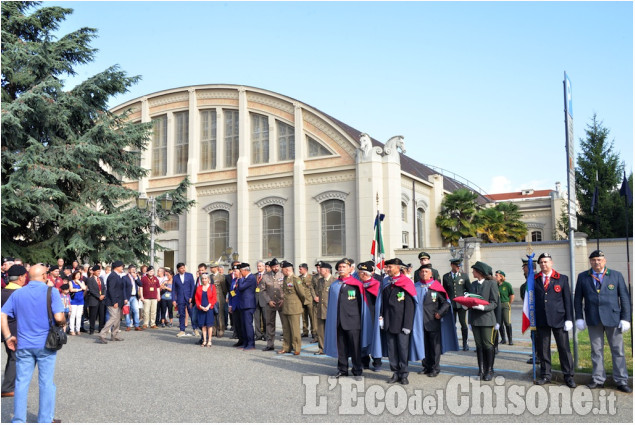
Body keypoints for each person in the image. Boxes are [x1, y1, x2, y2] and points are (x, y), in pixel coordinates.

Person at [1, 264, 66, 423]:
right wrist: (63, 321)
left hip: (23, 344)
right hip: (46, 344)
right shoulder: (52, 292)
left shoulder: (18, 293)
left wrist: (8, 336)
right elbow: (58, 317)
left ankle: (18, 420)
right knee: (46, 383)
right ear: (44, 276)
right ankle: (44, 419)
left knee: (21, 383)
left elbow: (2, 314)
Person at [574, 250, 632, 393]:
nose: (596, 262)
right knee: (596, 350)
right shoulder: (583, 277)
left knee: (618, 350)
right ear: (590, 262)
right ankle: (598, 379)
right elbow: (577, 299)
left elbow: (624, 298)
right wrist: (579, 317)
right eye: (593, 260)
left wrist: (626, 318)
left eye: (599, 260)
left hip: (613, 318)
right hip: (593, 318)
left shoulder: (616, 275)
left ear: (604, 261)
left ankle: (621, 380)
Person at [534, 253, 575, 388]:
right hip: (541, 319)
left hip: (559, 318)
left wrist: (569, 319)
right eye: (541, 263)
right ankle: (546, 375)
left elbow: (567, 300)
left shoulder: (562, 279)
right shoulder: (534, 279)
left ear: (551, 263)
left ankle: (568, 376)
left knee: (563, 348)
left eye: (546, 262)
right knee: (543, 349)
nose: (543, 264)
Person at [324, 258, 370, 380]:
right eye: (339, 267)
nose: (341, 269)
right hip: (338, 321)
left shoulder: (356, 284)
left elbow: (362, 304)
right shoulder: (334, 285)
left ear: (350, 269)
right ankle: (342, 369)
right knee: (341, 348)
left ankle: (357, 370)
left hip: (353, 321)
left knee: (355, 347)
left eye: (344, 267)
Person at [377, 258, 416, 385]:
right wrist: (381, 317)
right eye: (386, 267)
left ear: (398, 267)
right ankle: (395, 373)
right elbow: (382, 302)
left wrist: (407, 324)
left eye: (390, 267)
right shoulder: (386, 282)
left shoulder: (406, 282)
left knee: (403, 349)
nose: (387, 269)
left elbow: (410, 306)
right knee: (392, 350)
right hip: (389, 322)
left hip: (402, 323)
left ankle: (404, 374)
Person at [467, 261, 499, 381]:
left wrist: (483, 307)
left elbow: (494, 303)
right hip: (475, 319)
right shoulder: (473, 284)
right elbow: (470, 300)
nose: (472, 272)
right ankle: (481, 369)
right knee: (479, 345)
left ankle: (489, 370)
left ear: (480, 272)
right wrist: (469, 318)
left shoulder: (491, 283)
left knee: (487, 344)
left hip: (486, 319)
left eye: (474, 270)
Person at [1, 264, 28, 398]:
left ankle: (10, 384)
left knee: (12, 357)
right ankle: (8, 387)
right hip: (16, 330)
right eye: (24, 277)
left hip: (6, 330)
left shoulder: (3, 292)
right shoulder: (20, 293)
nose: (25, 279)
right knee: (15, 358)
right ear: (20, 278)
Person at [357, 261, 382, 371]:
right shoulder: (357, 285)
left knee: (374, 339)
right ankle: (364, 361)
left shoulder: (376, 285)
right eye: (359, 272)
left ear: (366, 274)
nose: (360, 275)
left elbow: (382, 302)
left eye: (362, 273)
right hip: (360, 317)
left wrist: (381, 315)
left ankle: (377, 362)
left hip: (372, 316)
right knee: (362, 339)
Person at [442, 258, 470, 351]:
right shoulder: (446, 276)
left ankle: (465, 343)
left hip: (461, 305)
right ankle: (452, 343)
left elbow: (469, 290)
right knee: (452, 324)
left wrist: (467, 301)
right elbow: (444, 291)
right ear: (452, 265)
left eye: (459, 266)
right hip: (451, 305)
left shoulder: (464, 276)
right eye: (456, 266)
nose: (458, 267)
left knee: (463, 324)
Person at [279, 261, 305, 355]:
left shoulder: (295, 279)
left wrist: (298, 303)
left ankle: (296, 347)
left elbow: (302, 294)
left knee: (295, 329)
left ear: (287, 269)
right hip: (286, 307)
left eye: (282, 270)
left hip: (294, 307)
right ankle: (286, 347)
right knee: (286, 329)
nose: (282, 272)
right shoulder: (286, 278)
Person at [96, 261, 126, 344]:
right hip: (113, 301)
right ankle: (102, 334)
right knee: (113, 317)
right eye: (121, 266)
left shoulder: (117, 276)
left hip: (118, 301)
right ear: (116, 267)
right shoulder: (112, 276)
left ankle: (114, 335)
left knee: (117, 318)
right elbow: (111, 290)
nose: (122, 268)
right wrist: (114, 301)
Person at [261, 258, 284, 351]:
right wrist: (268, 301)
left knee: (285, 323)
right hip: (270, 303)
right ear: (270, 267)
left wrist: (283, 299)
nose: (276, 268)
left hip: (281, 302)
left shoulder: (283, 275)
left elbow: (287, 288)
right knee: (270, 324)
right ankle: (270, 344)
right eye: (274, 266)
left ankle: (286, 345)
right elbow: (263, 290)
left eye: (277, 266)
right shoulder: (265, 276)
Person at [312, 261, 334, 355]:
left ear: (327, 270)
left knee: (331, 331)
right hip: (320, 309)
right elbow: (317, 292)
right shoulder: (320, 281)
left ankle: (332, 348)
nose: (319, 270)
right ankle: (322, 348)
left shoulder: (334, 280)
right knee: (320, 331)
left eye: (321, 269)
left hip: (330, 310)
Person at [519, 258, 537, 364]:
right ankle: (536, 353)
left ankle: (538, 356)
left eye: (524, 267)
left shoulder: (536, 279)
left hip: (537, 312)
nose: (523, 269)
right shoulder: (526, 282)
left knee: (537, 335)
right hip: (531, 312)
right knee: (533, 334)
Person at [237, 263, 257, 350]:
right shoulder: (246, 278)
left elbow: (241, 287)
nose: (240, 273)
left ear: (245, 270)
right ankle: (245, 342)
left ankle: (251, 343)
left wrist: (240, 279)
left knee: (248, 325)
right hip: (243, 304)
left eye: (241, 271)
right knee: (243, 325)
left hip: (248, 305)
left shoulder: (251, 278)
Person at [173, 262, 196, 337]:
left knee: (192, 314)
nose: (183, 269)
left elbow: (192, 287)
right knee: (181, 314)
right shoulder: (175, 277)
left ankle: (195, 329)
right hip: (180, 298)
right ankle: (182, 330)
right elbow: (174, 289)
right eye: (181, 268)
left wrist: (191, 297)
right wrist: (173, 299)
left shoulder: (190, 275)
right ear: (178, 269)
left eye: (184, 268)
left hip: (189, 297)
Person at [195, 273, 217, 347]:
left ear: (208, 279)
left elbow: (214, 298)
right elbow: (196, 298)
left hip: (209, 308)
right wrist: (200, 306)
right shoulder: (199, 287)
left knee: (209, 325)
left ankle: (209, 340)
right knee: (203, 325)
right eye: (203, 279)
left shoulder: (212, 287)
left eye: (205, 278)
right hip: (201, 308)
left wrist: (209, 306)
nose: (204, 280)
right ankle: (204, 340)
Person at [494, 270, 514, 351]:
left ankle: (510, 339)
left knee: (507, 322)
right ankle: (503, 339)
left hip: (505, 304)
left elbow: (511, 295)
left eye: (497, 275)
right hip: (497, 305)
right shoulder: (495, 285)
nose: (495, 277)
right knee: (499, 322)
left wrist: (508, 303)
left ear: (501, 277)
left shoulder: (507, 285)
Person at [298, 263, 316, 339]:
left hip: (310, 300)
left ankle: (314, 332)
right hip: (302, 300)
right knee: (304, 317)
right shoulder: (298, 278)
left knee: (312, 317)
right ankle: (305, 331)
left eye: (300, 269)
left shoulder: (311, 277)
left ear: (305, 269)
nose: (299, 270)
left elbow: (314, 288)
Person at [86, 265, 106, 335]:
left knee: (101, 315)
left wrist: (103, 295)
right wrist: (98, 296)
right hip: (94, 299)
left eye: (99, 271)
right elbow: (91, 290)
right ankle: (92, 329)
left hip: (102, 300)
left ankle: (100, 328)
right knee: (93, 315)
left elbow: (104, 288)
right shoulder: (90, 279)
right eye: (97, 271)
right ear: (93, 271)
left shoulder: (101, 279)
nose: (99, 272)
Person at [227, 264, 244, 347]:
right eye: (234, 271)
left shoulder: (243, 280)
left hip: (242, 305)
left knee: (242, 323)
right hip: (234, 304)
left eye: (236, 271)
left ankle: (245, 340)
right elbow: (231, 293)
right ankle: (240, 340)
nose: (235, 272)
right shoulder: (234, 280)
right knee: (236, 324)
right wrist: (230, 305)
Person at [210, 261, 227, 338]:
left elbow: (224, 289)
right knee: (212, 314)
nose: (211, 269)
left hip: (219, 297)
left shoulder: (221, 277)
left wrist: (223, 297)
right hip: (211, 297)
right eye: (210, 267)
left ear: (216, 268)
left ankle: (220, 329)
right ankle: (213, 330)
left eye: (212, 267)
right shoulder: (210, 277)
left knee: (220, 314)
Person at [68, 271, 86, 336]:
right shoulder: (71, 282)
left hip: (81, 301)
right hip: (73, 301)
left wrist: (79, 282)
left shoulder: (82, 282)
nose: (78, 276)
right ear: (74, 275)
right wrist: (78, 289)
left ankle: (78, 329)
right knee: (72, 316)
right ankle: (71, 330)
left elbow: (84, 288)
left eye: (79, 275)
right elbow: (71, 290)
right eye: (77, 274)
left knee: (79, 316)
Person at [253, 261, 266, 342]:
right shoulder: (254, 276)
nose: (259, 268)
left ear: (264, 267)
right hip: (255, 299)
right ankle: (258, 334)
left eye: (260, 266)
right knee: (257, 318)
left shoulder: (268, 275)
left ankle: (266, 334)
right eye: (258, 266)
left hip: (264, 299)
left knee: (265, 318)